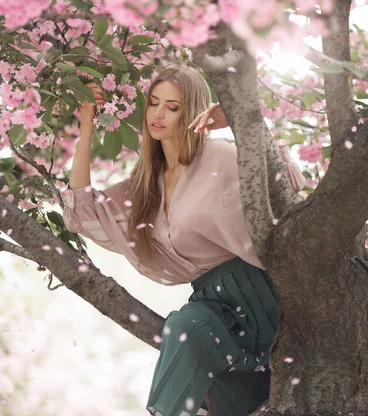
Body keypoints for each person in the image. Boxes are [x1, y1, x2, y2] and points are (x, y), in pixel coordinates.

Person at [63, 64, 304, 416]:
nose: (158, 114)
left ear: (190, 111)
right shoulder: (146, 185)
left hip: (258, 297)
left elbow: (284, 182)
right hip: (210, 305)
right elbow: (82, 211)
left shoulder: (219, 154)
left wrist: (244, 125)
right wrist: (87, 120)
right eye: (154, 103)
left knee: (189, 332)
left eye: (172, 107)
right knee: (186, 327)